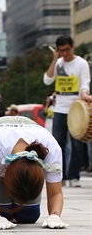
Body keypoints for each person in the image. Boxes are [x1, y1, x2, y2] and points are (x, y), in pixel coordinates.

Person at [0, 116, 66, 230]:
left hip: (20, 163)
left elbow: (56, 193)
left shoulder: (51, 147)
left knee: (28, 216)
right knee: (3, 214)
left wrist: (55, 215)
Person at [43, 35, 92, 188]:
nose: (65, 54)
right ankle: (61, 176)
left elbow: (85, 82)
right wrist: (54, 59)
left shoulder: (81, 63)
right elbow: (47, 80)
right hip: (60, 109)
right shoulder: (58, 63)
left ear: (72, 47)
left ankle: (74, 176)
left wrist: (84, 93)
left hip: (76, 108)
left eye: (67, 50)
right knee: (58, 144)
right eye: (61, 51)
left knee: (77, 145)